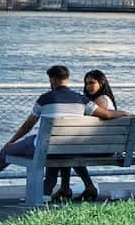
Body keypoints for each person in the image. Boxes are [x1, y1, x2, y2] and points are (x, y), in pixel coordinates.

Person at [0, 64, 129, 191]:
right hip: (68, 147)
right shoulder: (82, 100)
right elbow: (107, 115)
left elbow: (27, 125)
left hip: (44, 146)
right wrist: (125, 113)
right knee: (53, 151)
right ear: (67, 79)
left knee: (8, 151)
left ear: (52, 80)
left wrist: (11, 142)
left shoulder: (45, 99)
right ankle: (46, 192)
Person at [50, 69, 118, 202]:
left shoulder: (100, 101)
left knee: (66, 149)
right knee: (67, 148)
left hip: (101, 148)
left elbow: (84, 123)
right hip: (105, 146)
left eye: (92, 83)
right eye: (86, 83)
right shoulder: (104, 100)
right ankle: (72, 187)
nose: (88, 86)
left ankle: (75, 187)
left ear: (102, 83)